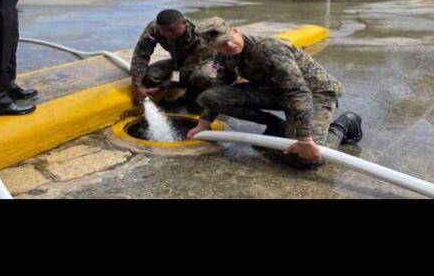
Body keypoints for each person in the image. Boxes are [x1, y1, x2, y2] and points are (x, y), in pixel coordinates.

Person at [186, 17, 363, 169]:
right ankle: (276, 125)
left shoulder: (270, 49)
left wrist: (304, 139)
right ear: (214, 48)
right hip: (274, 91)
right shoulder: (223, 56)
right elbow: (220, 86)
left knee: (306, 160)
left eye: (230, 39)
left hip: (314, 93)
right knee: (209, 97)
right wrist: (203, 124)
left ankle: (343, 125)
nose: (230, 46)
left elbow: (297, 91)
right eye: (222, 46)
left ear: (236, 31)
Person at [130, 9, 230, 111]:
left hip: (204, 64)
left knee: (201, 76)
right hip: (179, 62)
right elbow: (141, 55)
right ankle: (178, 88)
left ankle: (198, 95)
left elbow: (186, 69)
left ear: (185, 24)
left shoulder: (199, 36)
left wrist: (161, 88)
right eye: (164, 31)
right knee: (151, 76)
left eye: (173, 30)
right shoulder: (154, 28)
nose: (168, 34)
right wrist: (137, 85)